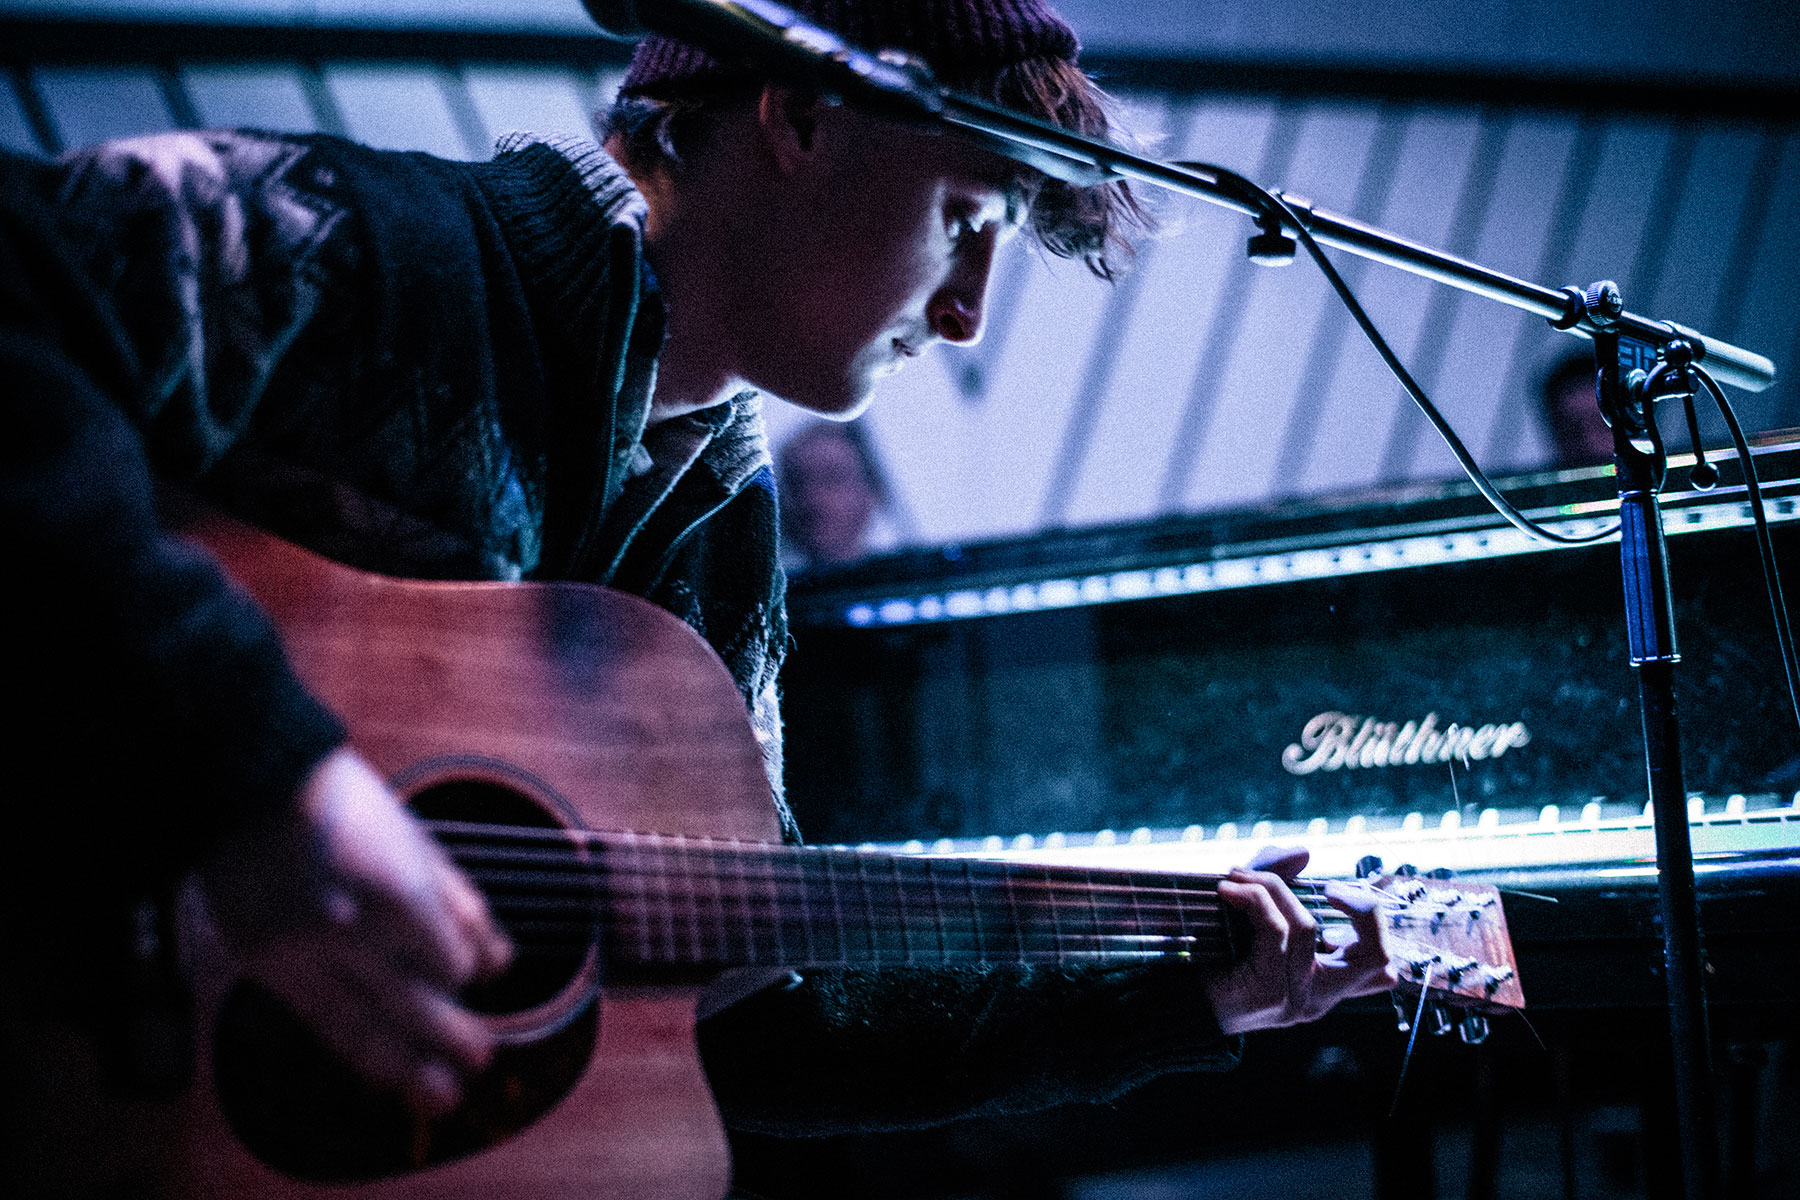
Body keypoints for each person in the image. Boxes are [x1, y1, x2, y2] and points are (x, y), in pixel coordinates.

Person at [0, 0, 1400, 1173]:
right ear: (800, 118)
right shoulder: (379, 257)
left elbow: (752, 1020)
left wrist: (1181, 1001)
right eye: (964, 217)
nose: (969, 309)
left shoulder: (717, 528)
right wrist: (261, 784)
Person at [776, 420, 890, 568]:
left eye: (832, 478)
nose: (813, 499)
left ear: (873, 490)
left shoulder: (903, 581)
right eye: (796, 482)